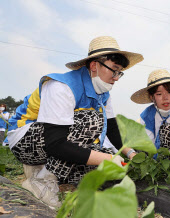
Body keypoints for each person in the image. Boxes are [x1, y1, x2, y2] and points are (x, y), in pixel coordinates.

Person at [7, 36, 143, 208]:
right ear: (94, 65)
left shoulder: (103, 94)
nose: (116, 77)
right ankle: (41, 182)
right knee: (91, 120)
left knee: (97, 166)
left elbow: (112, 130)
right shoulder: (61, 86)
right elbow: (55, 143)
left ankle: (45, 172)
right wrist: (108, 158)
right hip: (25, 140)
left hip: (53, 141)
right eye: (114, 70)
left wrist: (130, 153)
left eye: (119, 73)